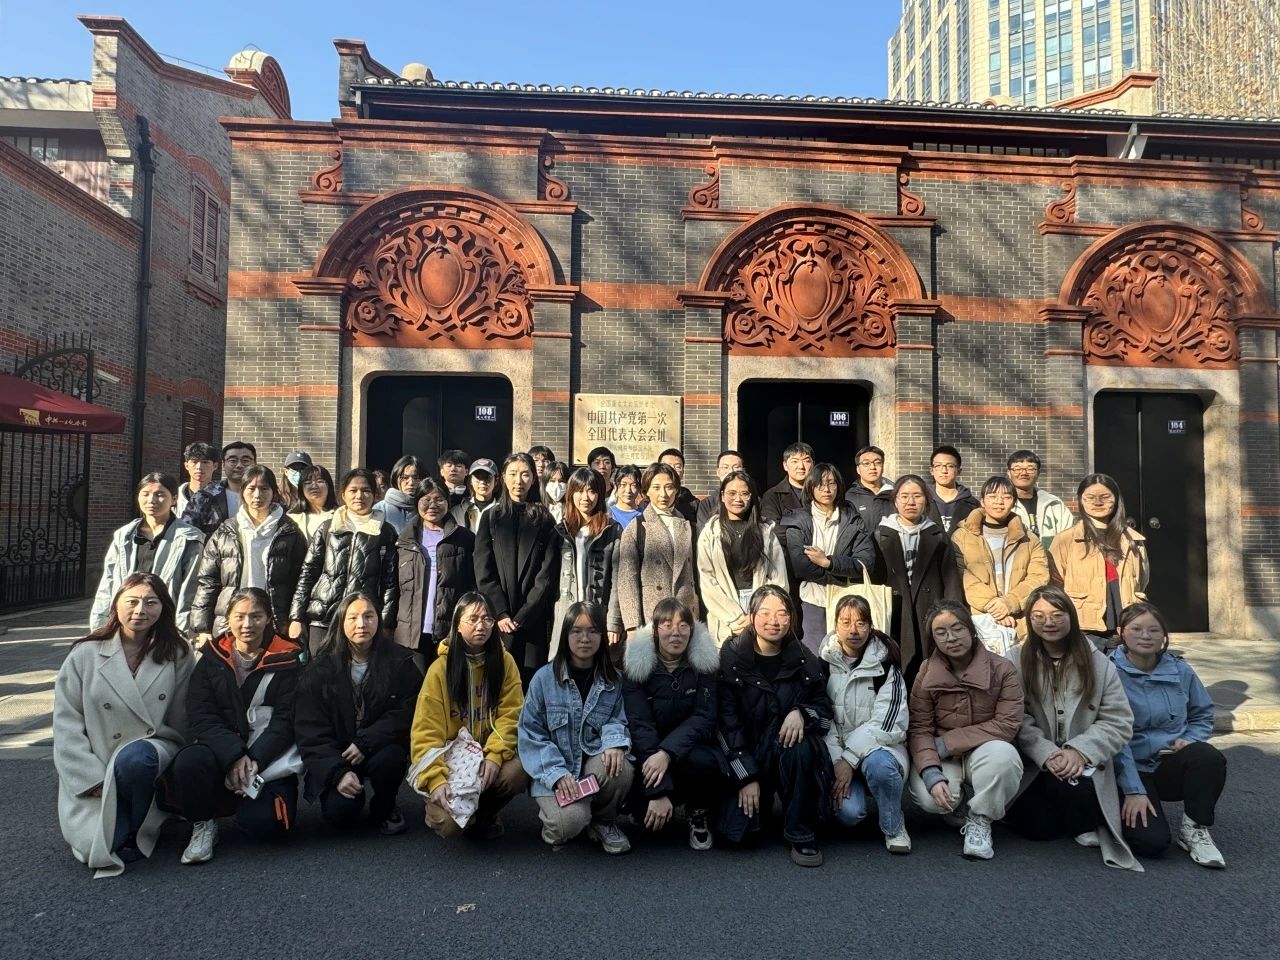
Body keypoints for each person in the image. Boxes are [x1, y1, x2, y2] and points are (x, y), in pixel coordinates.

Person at [53, 573, 195, 877]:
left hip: (154, 748)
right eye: (132, 601)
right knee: (97, 846)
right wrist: (89, 777)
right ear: (116, 605)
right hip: (99, 757)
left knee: (135, 758)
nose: (140, 610)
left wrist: (182, 774)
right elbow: (66, 723)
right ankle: (119, 822)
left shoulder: (178, 652)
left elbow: (182, 716)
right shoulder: (84, 654)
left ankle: (137, 824)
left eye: (151, 602)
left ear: (163, 608)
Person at [1003, 585, 1140, 870]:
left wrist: (1079, 751)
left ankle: (1083, 816)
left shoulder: (1099, 663)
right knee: (1036, 829)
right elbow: (1015, 715)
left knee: (1078, 796)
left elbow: (1117, 721)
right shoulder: (1015, 659)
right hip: (1037, 763)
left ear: (1071, 616)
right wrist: (1046, 753)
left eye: (1057, 614)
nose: (1048, 622)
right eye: (1038, 616)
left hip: (1084, 763)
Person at [170, 587, 306, 864]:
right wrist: (234, 756)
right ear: (227, 618)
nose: (247, 624)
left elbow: (286, 720)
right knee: (189, 762)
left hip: (268, 758)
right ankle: (204, 823)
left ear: (268, 619)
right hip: (222, 753)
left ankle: (245, 803)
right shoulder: (211, 658)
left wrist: (254, 760)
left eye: (256, 616)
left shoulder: (289, 659)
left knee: (264, 826)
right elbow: (202, 714)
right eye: (239, 616)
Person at [717, 585, 832, 866]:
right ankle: (762, 804)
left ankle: (801, 833)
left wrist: (802, 713)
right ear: (751, 616)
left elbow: (826, 716)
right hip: (748, 753)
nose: (774, 621)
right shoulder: (731, 659)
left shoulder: (805, 659)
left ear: (791, 618)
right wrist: (746, 776)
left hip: (786, 754)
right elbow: (724, 727)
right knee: (740, 836)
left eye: (782, 614)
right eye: (765, 613)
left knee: (802, 746)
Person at [294, 592, 422, 835]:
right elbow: (310, 732)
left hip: (376, 747)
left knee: (392, 758)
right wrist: (338, 773)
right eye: (353, 618)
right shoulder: (320, 669)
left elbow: (409, 711)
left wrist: (366, 741)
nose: (361, 624)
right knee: (339, 814)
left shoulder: (399, 662)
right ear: (341, 622)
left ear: (378, 620)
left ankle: (385, 806)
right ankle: (347, 790)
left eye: (368, 616)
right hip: (338, 754)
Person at [1112, 601, 1226, 868]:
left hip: (1168, 763)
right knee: (1151, 844)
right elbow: (1114, 737)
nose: (1145, 636)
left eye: (1154, 630)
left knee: (1207, 756)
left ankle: (1194, 828)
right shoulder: (1108, 673)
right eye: (1137, 629)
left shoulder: (1180, 670)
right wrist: (1133, 790)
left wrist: (1190, 739)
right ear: (1121, 632)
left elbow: (1202, 714)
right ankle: (1109, 812)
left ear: (1163, 635)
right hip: (1128, 768)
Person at [907, 601, 1024, 860]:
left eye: (957, 628)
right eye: (941, 633)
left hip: (983, 751)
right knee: (930, 798)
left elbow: (1007, 724)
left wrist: (948, 742)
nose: (951, 638)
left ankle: (981, 818)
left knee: (1004, 758)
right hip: (942, 755)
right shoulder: (926, 671)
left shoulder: (1002, 669)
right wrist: (931, 773)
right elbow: (919, 727)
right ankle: (955, 803)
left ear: (970, 629)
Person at [518, 601, 634, 854]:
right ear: (565, 635)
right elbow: (530, 734)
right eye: (577, 631)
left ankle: (603, 822)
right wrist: (557, 774)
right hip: (556, 773)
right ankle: (567, 819)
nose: (585, 638)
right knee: (567, 825)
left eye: (592, 631)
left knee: (621, 766)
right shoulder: (543, 679)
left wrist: (614, 742)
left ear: (602, 636)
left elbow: (619, 719)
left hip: (592, 768)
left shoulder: (614, 680)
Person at [410, 593, 527, 840]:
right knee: (450, 826)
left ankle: (484, 814)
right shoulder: (440, 669)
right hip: (452, 761)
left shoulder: (505, 662)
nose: (481, 626)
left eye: (487, 619)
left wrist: (495, 755)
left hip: (486, 753)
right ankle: (437, 806)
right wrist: (436, 780)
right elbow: (426, 731)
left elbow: (512, 714)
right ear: (457, 625)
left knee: (517, 771)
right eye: (472, 619)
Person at [622, 597, 721, 850]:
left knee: (704, 760)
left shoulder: (705, 665)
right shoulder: (636, 667)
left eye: (683, 625)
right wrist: (659, 791)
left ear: (692, 630)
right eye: (667, 625)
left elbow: (704, 717)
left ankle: (698, 812)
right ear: (655, 631)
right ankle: (642, 801)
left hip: (687, 752)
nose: (675, 633)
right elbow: (640, 725)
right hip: (648, 755)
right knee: (649, 826)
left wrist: (667, 753)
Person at [820, 594, 911, 854]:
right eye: (846, 622)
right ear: (835, 625)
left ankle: (894, 825)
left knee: (880, 766)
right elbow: (824, 719)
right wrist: (838, 760)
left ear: (870, 626)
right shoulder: (823, 664)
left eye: (861, 623)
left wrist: (849, 759)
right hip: (838, 754)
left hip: (881, 749)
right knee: (849, 814)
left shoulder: (886, 665)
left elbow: (889, 722)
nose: (853, 630)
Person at [192, 465, 307, 646]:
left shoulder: (289, 532)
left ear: (274, 492)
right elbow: (208, 581)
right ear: (242, 491)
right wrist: (202, 627)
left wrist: (296, 618)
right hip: (231, 621)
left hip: (276, 621)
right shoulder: (225, 532)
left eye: (264, 488)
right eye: (251, 488)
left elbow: (302, 581)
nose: (257, 495)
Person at [289, 468, 399, 653]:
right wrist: (296, 617)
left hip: (362, 621)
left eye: (366, 490)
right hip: (323, 618)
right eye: (353, 490)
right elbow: (308, 573)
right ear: (343, 495)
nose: (359, 496)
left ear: (375, 495)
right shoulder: (328, 528)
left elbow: (390, 582)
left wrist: (386, 623)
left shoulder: (385, 532)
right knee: (320, 668)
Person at [474, 452, 560, 684]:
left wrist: (524, 615)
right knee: (497, 682)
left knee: (531, 682)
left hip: (533, 620)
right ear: (502, 477)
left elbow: (547, 574)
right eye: (512, 474)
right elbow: (483, 570)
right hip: (498, 618)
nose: (518, 481)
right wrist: (500, 612)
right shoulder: (491, 517)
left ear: (533, 479)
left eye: (525, 474)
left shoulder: (545, 519)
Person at [90, 472, 204, 638]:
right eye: (145, 494)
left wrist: (181, 633)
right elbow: (108, 582)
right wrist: (100, 625)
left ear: (174, 499)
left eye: (160, 494)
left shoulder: (190, 538)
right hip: (128, 619)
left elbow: (190, 589)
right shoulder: (124, 536)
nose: (151, 500)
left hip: (165, 622)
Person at [872, 474, 964, 680]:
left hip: (928, 611)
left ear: (926, 500)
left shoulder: (938, 536)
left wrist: (951, 616)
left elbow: (951, 580)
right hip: (893, 611)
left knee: (928, 672)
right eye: (904, 496)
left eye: (917, 496)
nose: (910, 502)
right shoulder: (880, 535)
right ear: (895, 500)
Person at [780, 463, 876, 651]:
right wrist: (842, 574)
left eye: (832, 483)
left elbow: (866, 563)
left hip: (848, 602)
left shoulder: (853, 520)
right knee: (816, 655)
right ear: (810, 487)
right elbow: (801, 568)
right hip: (813, 602)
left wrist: (828, 562)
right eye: (820, 484)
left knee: (848, 654)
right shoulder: (798, 521)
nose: (826, 489)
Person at [1049, 473, 1149, 641]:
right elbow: (1055, 583)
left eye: (1105, 497)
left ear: (1116, 500)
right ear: (1081, 500)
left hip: (1127, 621)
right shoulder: (1066, 540)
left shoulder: (1133, 539)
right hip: (1084, 625)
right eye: (1090, 497)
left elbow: (1142, 579)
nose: (1097, 502)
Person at [951, 476, 1049, 640]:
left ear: (1014, 502)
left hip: (1021, 621)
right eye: (992, 496)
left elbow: (1039, 577)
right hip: (979, 619)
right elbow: (961, 575)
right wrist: (994, 606)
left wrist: (1009, 603)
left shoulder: (1029, 539)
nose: (999, 502)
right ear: (982, 501)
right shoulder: (961, 536)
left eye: (1006, 497)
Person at [698, 470, 788, 646]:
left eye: (744, 493)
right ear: (722, 496)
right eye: (731, 493)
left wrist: (758, 613)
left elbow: (778, 579)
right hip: (724, 607)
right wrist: (735, 618)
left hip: (760, 606)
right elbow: (708, 580)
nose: (738, 499)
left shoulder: (765, 532)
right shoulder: (710, 533)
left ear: (752, 496)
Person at [393, 479, 476, 666]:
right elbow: (394, 587)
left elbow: (472, 585)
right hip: (411, 634)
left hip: (450, 631)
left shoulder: (464, 539)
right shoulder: (404, 540)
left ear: (448, 502)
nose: (432, 505)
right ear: (417, 503)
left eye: (439, 499)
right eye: (426, 500)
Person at [619, 462, 699, 636]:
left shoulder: (688, 526)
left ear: (676, 490)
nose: (663, 494)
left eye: (669, 487)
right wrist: (632, 627)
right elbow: (627, 581)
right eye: (656, 487)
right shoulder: (636, 528)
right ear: (646, 491)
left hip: (686, 616)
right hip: (652, 617)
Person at [552, 467, 624, 658]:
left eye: (591, 491)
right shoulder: (560, 530)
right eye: (579, 491)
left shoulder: (612, 530)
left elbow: (618, 580)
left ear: (600, 495)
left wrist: (614, 622)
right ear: (571, 494)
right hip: (566, 613)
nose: (585, 497)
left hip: (598, 613)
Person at [183, 440, 257, 536]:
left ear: (255, 463)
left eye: (245, 461)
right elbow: (186, 533)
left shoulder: (269, 495)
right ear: (223, 464)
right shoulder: (204, 497)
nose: (239, 465)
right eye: (233, 461)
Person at [1007, 449, 1074, 550]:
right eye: (1017, 469)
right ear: (1009, 473)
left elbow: (1068, 538)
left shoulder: (1054, 504)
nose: (1024, 473)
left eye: (1030, 469)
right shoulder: (1002, 504)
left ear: (1038, 473)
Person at [924, 444, 979, 534]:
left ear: (959, 471)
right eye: (938, 466)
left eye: (950, 466)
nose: (944, 471)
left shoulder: (972, 504)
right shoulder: (922, 500)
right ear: (931, 471)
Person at [759, 441, 813, 526]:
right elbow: (772, 529)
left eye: (806, 461)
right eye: (795, 461)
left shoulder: (823, 493)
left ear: (813, 464)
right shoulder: (772, 496)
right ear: (785, 466)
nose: (801, 466)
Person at [695, 449, 744, 536]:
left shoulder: (753, 500)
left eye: (736, 467)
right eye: (725, 467)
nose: (731, 471)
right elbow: (703, 535)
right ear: (718, 472)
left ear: (743, 471)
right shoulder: (707, 504)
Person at [846, 445, 895, 532]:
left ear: (883, 467)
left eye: (877, 462)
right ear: (858, 469)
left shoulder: (896, 495)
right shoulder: (849, 498)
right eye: (866, 463)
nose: (872, 467)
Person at [373, 454, 425, 533]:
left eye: (416, 478)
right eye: (405, 477)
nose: (411, 482)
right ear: (395, 478)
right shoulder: (380, 509)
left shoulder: (429, 507)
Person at [288, 463, 337, 541]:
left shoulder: (341, 515)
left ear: (328, 485)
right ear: (301, 489)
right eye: (308, 483)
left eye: (320, 481)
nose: (314, 486)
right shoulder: (291, 519)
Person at [451, 458, 498, 534]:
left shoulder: (503, 511)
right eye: (478, 477)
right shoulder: (457, 512)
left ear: (496, 481)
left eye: (487, 477)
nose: (482, 482)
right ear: (471, 481)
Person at [659, 448, 700, 525]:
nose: (672, 470)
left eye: (677, 467)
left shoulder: (694, 504)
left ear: (683, 471)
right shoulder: (648, 500)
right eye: (668, 466)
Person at [177, 441, 220, 514]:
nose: (199, 467)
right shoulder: (174, 498)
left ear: (215, 466)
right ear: (186, 466)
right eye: (194, 462)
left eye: (205, 462)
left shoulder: (224, 497)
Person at [608, 464, 645, 528]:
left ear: (639, 488)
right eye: (623, 485)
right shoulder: (608, 514)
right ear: (615, 486)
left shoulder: (645, 515)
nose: (628, 490)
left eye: (633, 485)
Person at [541, 460, 570, 524]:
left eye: (561, 481)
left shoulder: (572, 509)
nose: (556, 485)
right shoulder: (538, 509)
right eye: (552, 481)